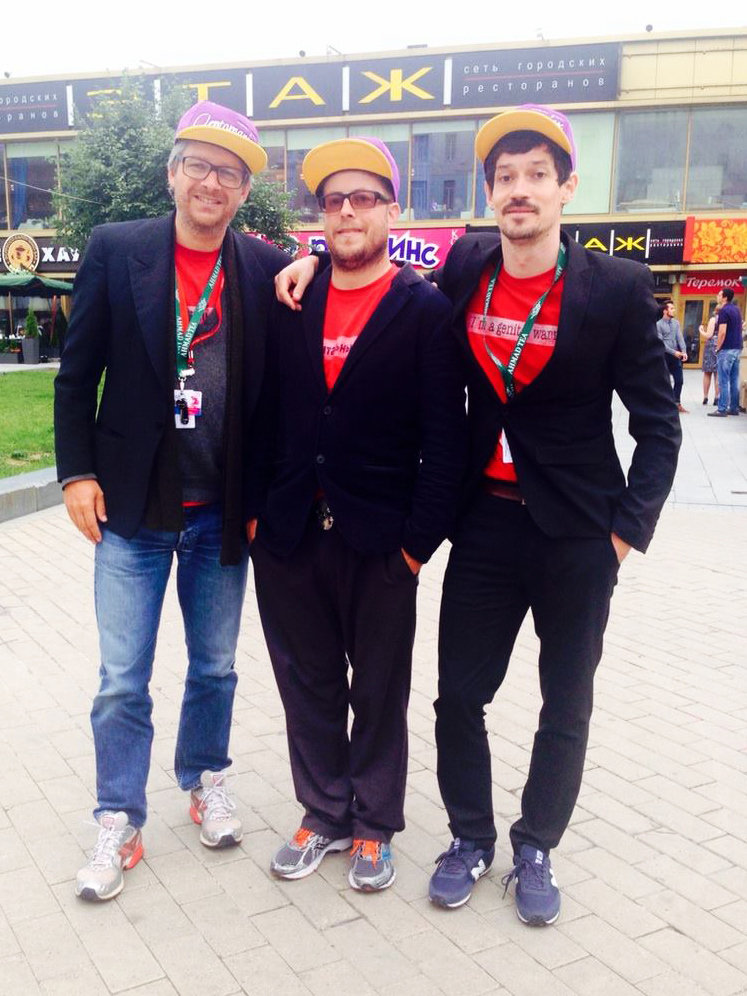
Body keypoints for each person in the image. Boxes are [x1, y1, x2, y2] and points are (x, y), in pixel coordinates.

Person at [274, 103, 681, 925]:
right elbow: (379, 274)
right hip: (485, 524)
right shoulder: (465, 266)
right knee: (458, 696)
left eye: (537, 175)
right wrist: (312, 260)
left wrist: (624, 531)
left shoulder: (615, 288)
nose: (519, 191)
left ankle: (536, 845)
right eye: (505, 178)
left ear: (566, 188)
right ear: (490, 192)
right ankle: (468, 838)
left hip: (576, 532)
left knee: (564, 701)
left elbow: (658, 423)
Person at [54, 100, 292, 901]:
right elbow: (75, 374)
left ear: (243, 190)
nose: (211, 182)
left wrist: (260, 495)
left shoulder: (261, 267)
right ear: (173, 172)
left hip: (221, 510)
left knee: (216, 666)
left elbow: (277, 396)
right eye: (198, 164)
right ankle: (119, 818)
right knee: (122, 676)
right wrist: (75, 473)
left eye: (229, 172)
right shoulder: (118, 250)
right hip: (131, 508)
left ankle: (204, 779)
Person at [248, 137, 466, 892]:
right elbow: (264, 414)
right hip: (287, 533)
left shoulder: (425, 310)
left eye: (363, 198)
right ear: (320, 216)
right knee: (305, 681)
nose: (346, 212)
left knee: (376, 687)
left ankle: (374, 822)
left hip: (380, 540)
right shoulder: (291, 298)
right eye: (333, 200)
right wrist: (254, 519)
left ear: (390, 209)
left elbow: (445, 438)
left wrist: (415, 545)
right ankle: (322, 812)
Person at [708, 287, 744, 417]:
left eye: (719, 294)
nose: (717, 296)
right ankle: (733, 408)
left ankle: (722, 408)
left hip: (727, 348)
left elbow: (722, 332)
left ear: (724, 297)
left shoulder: (723, 311)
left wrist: (718, 348)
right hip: (737, 347)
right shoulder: (736, 309)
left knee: (723, 379)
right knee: (734, 379)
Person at [656, 299, 689, 413]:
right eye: (671, 308)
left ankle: (677, 403)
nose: (674, 310)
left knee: (679, 380)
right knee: (664, 382)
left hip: (676, 356)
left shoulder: (676, 323)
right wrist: (674, 352)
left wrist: (684, 351)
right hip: (664, 356)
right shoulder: (658, 325)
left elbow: (679, 338)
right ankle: (663, 405)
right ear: (665, 311)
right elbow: (661, 344)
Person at [699, 308, 719, 406]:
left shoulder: (713, 319)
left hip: (711, 346)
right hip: (720, 345)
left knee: (707, 372)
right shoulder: (726, 320)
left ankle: (705, 397)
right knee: (717, 373)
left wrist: (701, 330)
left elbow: (709, 335)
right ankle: (716, 397)